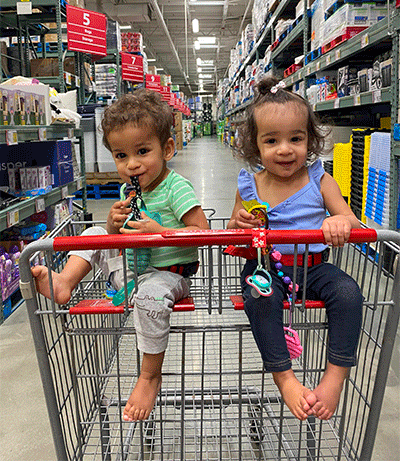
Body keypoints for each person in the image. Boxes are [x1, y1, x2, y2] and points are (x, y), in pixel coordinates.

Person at [32, 89, 209, 422]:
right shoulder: (130, 190)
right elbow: (119, 239)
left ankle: (148, 376)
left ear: (167, 149)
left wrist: (159, 232)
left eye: (143, 151)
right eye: (121, 155)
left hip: (170, 275)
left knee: (150, 298)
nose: (132, 164)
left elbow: (204, 232)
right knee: (93, 234)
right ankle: (64, 283)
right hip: (131, 271)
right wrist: (114, 229)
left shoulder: (176, 187)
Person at [227, 76, 362, 422]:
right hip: (265, 268)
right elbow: (232, 230)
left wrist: (340, 222)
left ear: (310, 141)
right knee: (260, 298)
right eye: (272, 140)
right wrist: (240, 225)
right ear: (255, 147)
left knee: (348, 292)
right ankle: (285, 379)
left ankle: (334, 378)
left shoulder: (320, 179)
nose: (285, 149)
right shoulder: (250, 184)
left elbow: (354, 223)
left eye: (296, 139)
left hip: (314, 265)